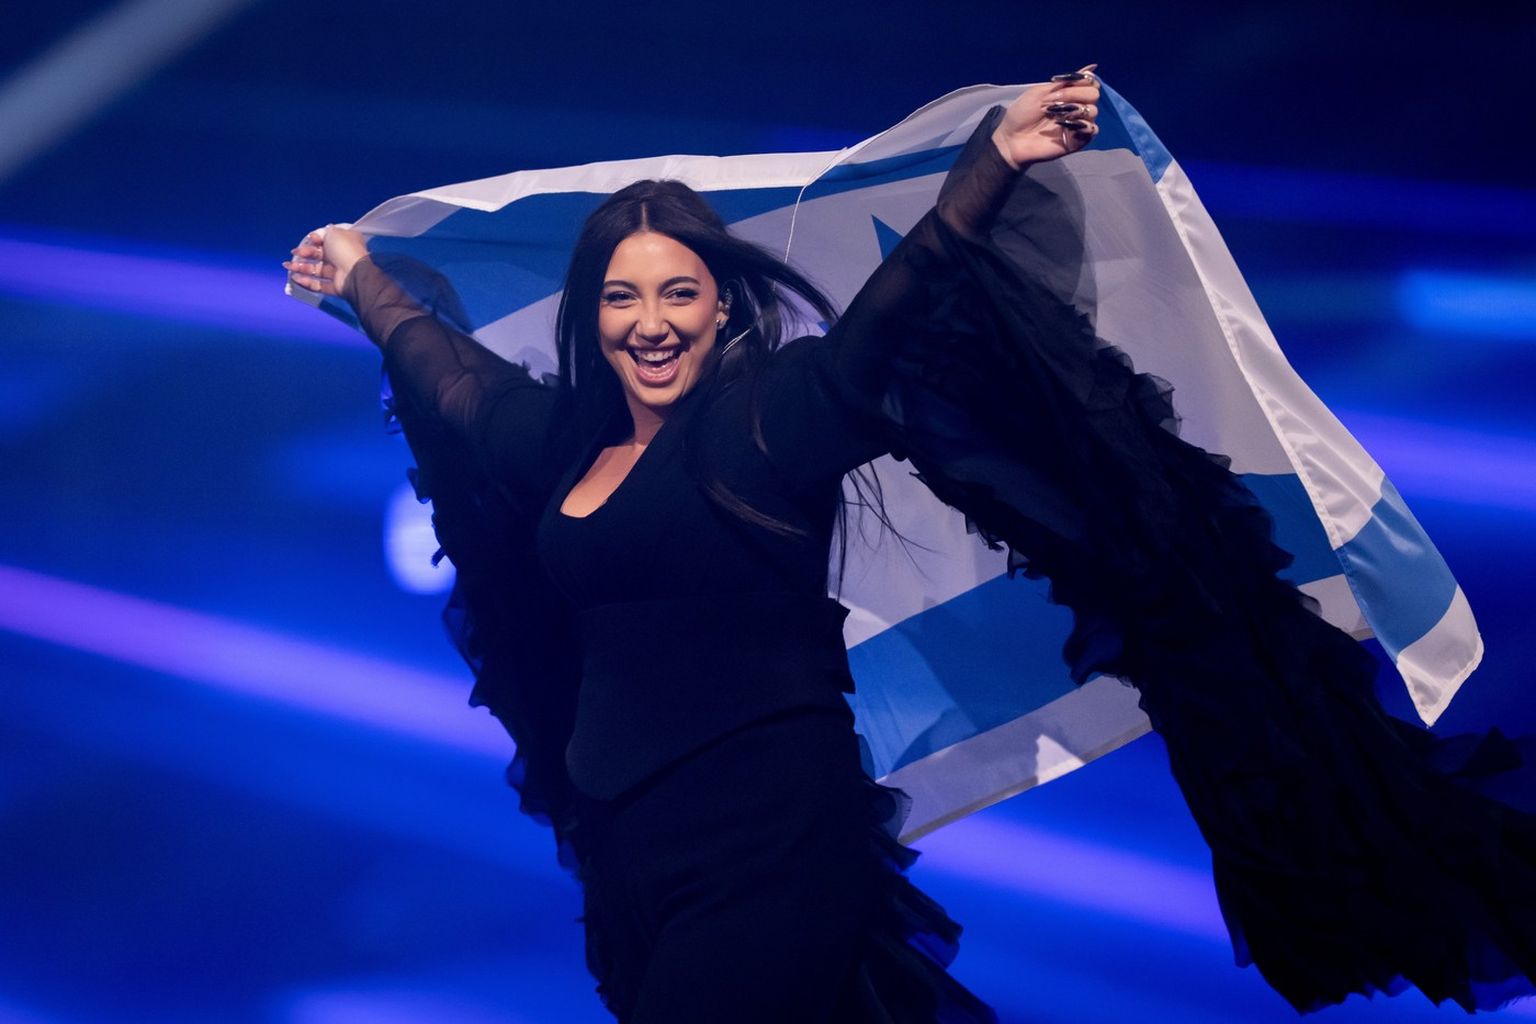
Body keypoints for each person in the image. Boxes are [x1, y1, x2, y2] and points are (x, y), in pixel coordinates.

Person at [285, 66, 1536, 1021]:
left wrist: (993, 160)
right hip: (634, 860)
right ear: (591, 314)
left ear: (721, 306)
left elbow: (897, 307)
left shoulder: (772, 418)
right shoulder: (559, 442)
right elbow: (448, 376)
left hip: (778, 847)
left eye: (678, 292)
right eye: (622, 295)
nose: (650, 322)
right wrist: (362, 280)